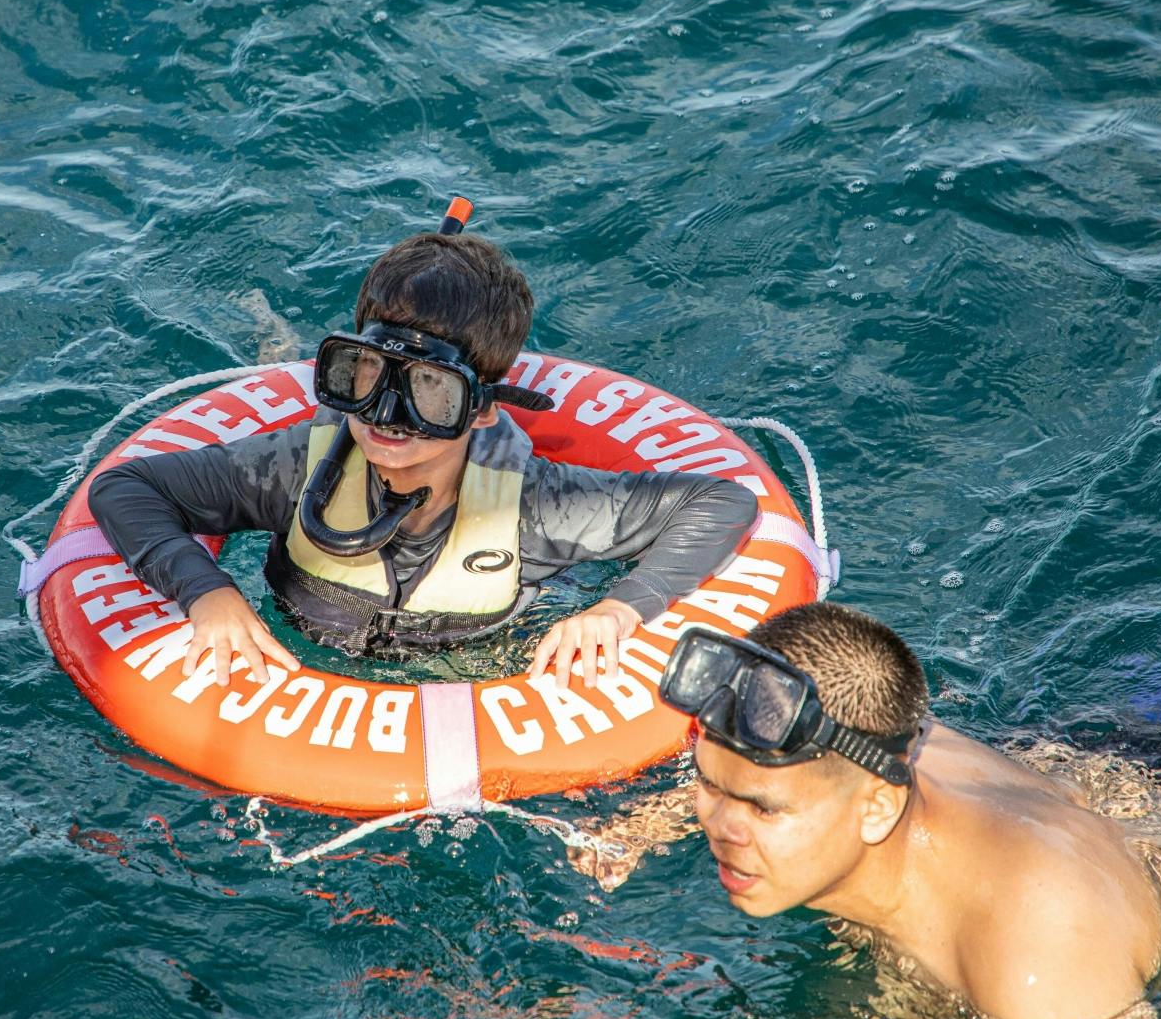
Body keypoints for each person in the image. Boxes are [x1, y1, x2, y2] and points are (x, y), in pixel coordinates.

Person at [88, 214, 759, 687]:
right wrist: (206, 592)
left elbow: (721, 500)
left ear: (484, 407)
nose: (387, 414)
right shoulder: (293, 467)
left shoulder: (535, 507)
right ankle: (273, 336)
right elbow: (124, 489)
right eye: (368, 372)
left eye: (430, 393)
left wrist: (618, 609)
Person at [663, 602, 1161, 1019]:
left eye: (763, 810)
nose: (719, 825)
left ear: (878, 809)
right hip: (1059, 787)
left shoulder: (1036, 968)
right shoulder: (869, 742)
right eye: (710, 784)